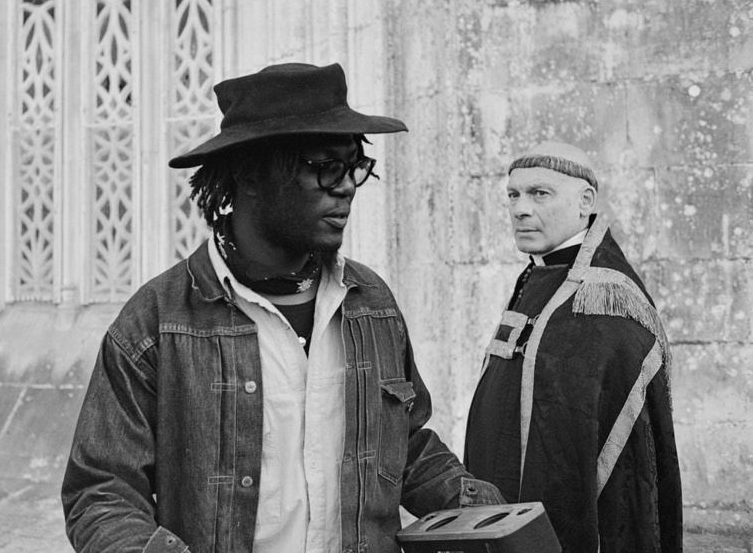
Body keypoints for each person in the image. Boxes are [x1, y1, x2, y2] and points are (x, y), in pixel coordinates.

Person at [62, 62, 502, 553]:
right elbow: (101, 491)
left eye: (355, 165)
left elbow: (405, 447)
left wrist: (484, 512)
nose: (347, 186)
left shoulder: (371, 303)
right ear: (251, 175)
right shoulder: (157, 322)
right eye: (324, 167)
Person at [464, 141, 683, 553]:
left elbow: (627, 468)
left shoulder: (607, 301)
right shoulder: (539, 278)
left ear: (586, 201)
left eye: (539, 194)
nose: (519, 209)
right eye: (513, 195)